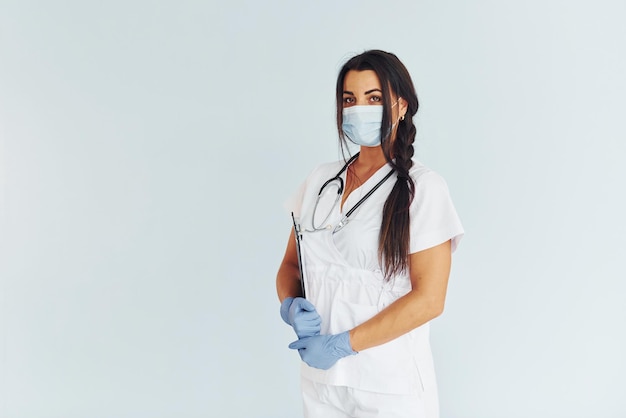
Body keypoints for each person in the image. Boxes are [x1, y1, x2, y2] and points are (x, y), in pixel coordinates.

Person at [276, 50, 464, 418]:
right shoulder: (320, 182)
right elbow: (291, 266)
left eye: (373, 98)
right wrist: (289, 305)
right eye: (349, 99)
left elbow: (429, 299)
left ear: (402, 105)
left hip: (389, 385)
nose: (358, 108)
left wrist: (343, 344)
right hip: (322, 381)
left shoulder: (422, 189)